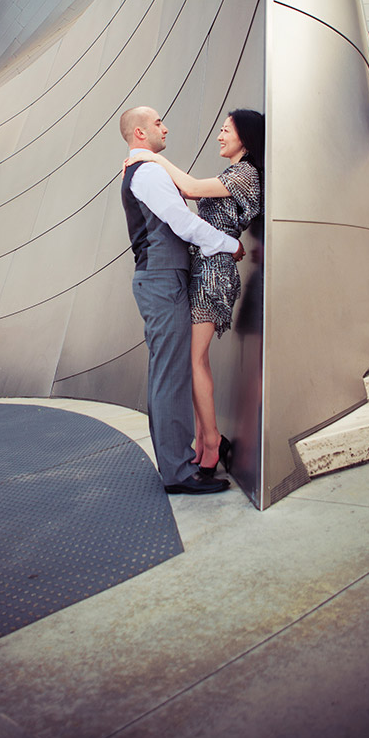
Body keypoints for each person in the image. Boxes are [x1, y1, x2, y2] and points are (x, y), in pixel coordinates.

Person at [125, 110, 263, 478]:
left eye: (225, 130)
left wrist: (151, 156)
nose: (219, 136)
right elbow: (187, 192)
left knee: (194, 359)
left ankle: (211, 443)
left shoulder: (246, 173)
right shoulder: (231, 174)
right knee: (190, 361)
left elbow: (191, 190)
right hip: (203, 263)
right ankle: (203, 442)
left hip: (214, 268)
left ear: (245, 138)